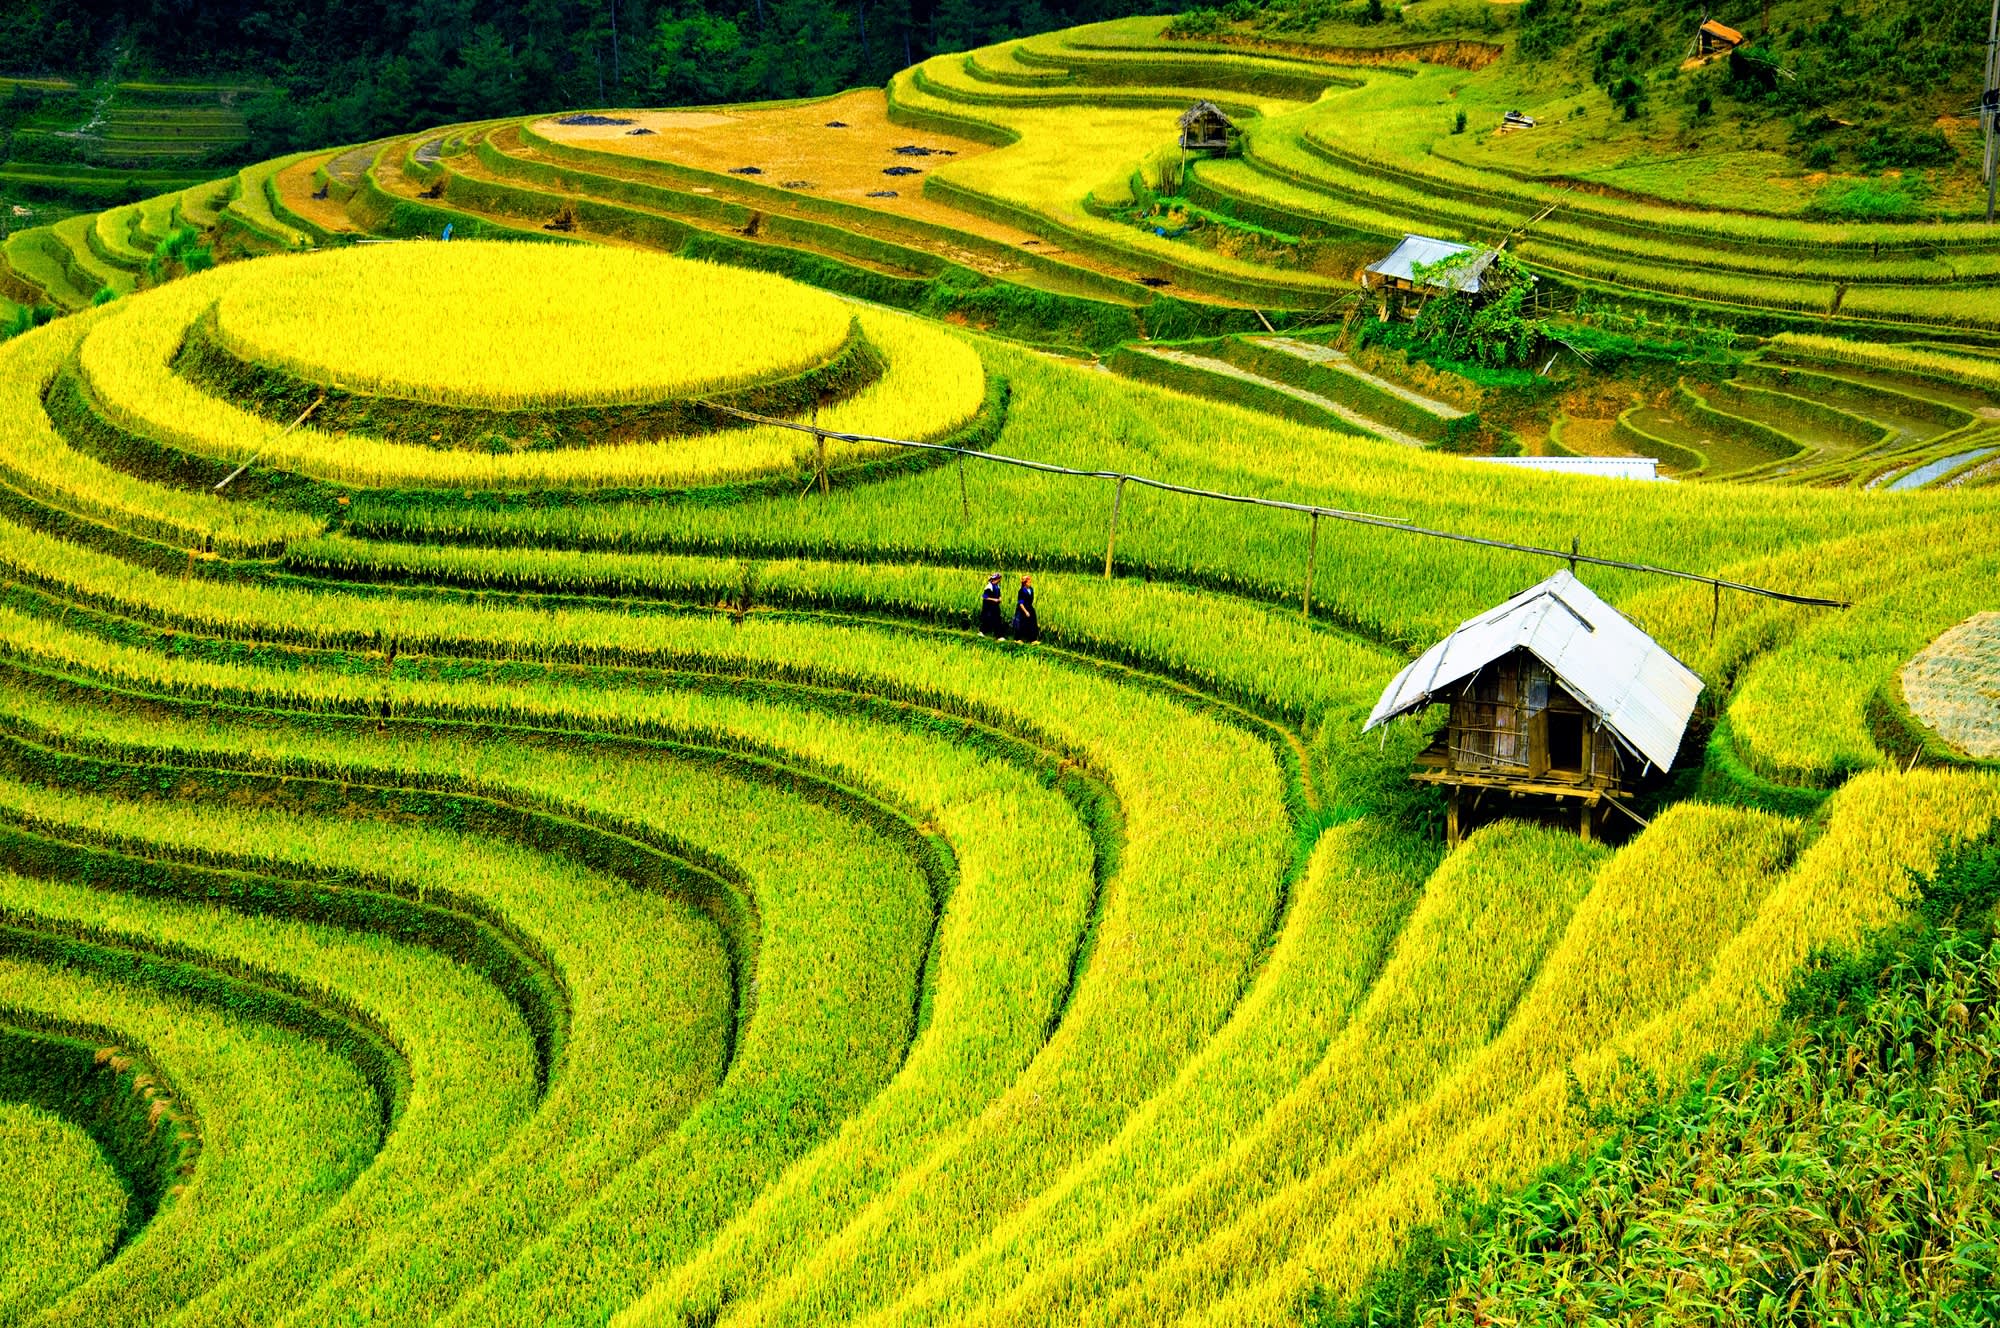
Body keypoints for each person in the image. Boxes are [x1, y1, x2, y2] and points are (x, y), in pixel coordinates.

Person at [1011, 574, 1038, 644]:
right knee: (1021, 623)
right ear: (1025, 583)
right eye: (1029, 582)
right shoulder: (1021, 591)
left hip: (1029, 607)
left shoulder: (1031, 589)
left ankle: (1033, 639)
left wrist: (1029, 609)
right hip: (1022, 609)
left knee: (1033, 623)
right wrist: (1026, 612)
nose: (1030, 583)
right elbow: (1020, 603)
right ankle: (1017, 639)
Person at [978, 573, 1004, 638]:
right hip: (988, 606)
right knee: (987, 619)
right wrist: (994, 600)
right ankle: (982, 632)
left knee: (997, 619)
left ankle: (998, 635)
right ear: (995, 579)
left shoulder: (997, 586)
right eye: (999, 579)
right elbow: (985, 597)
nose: (999, 580)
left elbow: (999, 594)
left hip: (995, 606)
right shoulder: (989, 587)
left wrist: (1000, 598)